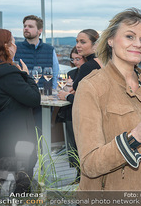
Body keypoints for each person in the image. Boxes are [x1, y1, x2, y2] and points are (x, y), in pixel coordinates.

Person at [72, 8, 141, 192]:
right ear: (110, 40)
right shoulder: (91, 87)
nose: (138, 44)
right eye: (129, 36)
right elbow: (89, 164)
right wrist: (135, 137)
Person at [0, 28, 40, 180]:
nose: (15, 47)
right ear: (6, 46)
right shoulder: (9, 74)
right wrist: (27, 75)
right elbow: (34, 99)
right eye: (13, 43)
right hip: (15, 138)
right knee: (21, 183)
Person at [56, 47, 86, 181]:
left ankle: (82, 176)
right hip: (70, 113)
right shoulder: (71, 73)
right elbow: (63, 92)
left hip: (84, 115)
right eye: (72, 59)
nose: (75, 62)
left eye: (77, 59)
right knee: (72, 147)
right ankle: (78, 174)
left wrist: (69, 93)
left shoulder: (90, 73)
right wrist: (66, 88)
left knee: (82, 146)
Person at [14, 15, 59, 90]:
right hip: (22, 93)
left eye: (30, 26)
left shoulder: (50, 50)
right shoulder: (15, 48)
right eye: (25, 26)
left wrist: (54, 91)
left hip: (45, 94)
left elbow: (56, 74)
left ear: (40, 30)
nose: (26, 28)